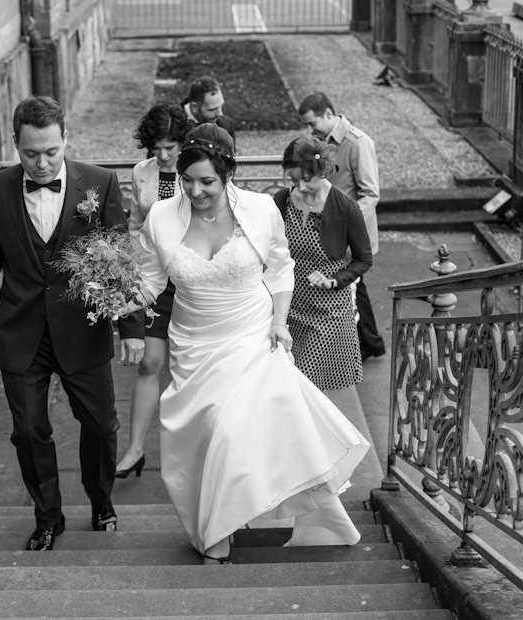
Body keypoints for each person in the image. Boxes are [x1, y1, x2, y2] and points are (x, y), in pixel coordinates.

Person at [117, 123, 370, 564]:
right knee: (200, 438)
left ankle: (222, 527)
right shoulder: (160, 216)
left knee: (230, 429)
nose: (195, 191)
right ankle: (213, 522)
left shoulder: (260, 209)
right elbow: (153, 278)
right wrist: (119, 302)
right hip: (194, 340)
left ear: (228, 174)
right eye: (187, 180)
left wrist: (280, 323)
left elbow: (280, 268)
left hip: (252, 332)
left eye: (207, 182)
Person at [0, 96, 145, 551]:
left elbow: (121, 258)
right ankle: (48, 518)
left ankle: (100, 500)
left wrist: (132, 328)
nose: (41, 164)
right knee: (28, 431)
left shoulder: (100, 182)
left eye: (51, 152)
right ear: (15, 144)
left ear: (66, 139)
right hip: (22, 331)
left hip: (82, 329)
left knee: (101, 426)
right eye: (30, 153)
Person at [116, 103, 194, 478]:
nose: (162, 155)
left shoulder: (197, 172)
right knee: (149, 362)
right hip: (152, 278)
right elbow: (135, 224)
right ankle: (135, 450)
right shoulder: (141, 172)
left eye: (170, 148)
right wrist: (129, 270)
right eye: (156, 147)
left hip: (192, 278)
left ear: (183, 143)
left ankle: (195, 453)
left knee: (191, 368)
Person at [273, 136, 372, 398]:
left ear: (323, 170)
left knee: (301, 383)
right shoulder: (282, 200)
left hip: (328, 312)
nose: (301, 186)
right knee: (289, 383)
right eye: (294, 179)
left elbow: (364, 259)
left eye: (307, 179)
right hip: (289, 307)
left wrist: (334, 280)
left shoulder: (345, 207)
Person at [298, 92, 386, 361]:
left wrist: (345, 221)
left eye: (312, 123)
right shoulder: (319, 140)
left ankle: (367, 343)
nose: (309, 130)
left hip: (349, 231)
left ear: (328, 114)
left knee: (351, 282)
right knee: (352, 284)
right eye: (306, 125)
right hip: (327, 228)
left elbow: (371, 194)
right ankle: (368, 342)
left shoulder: (359, 143)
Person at [182, 76, 238, 144]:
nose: (220, 113)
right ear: (194, 107)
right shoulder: (172, 123)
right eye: (212, 110)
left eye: (220, 106)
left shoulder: (227, 126)